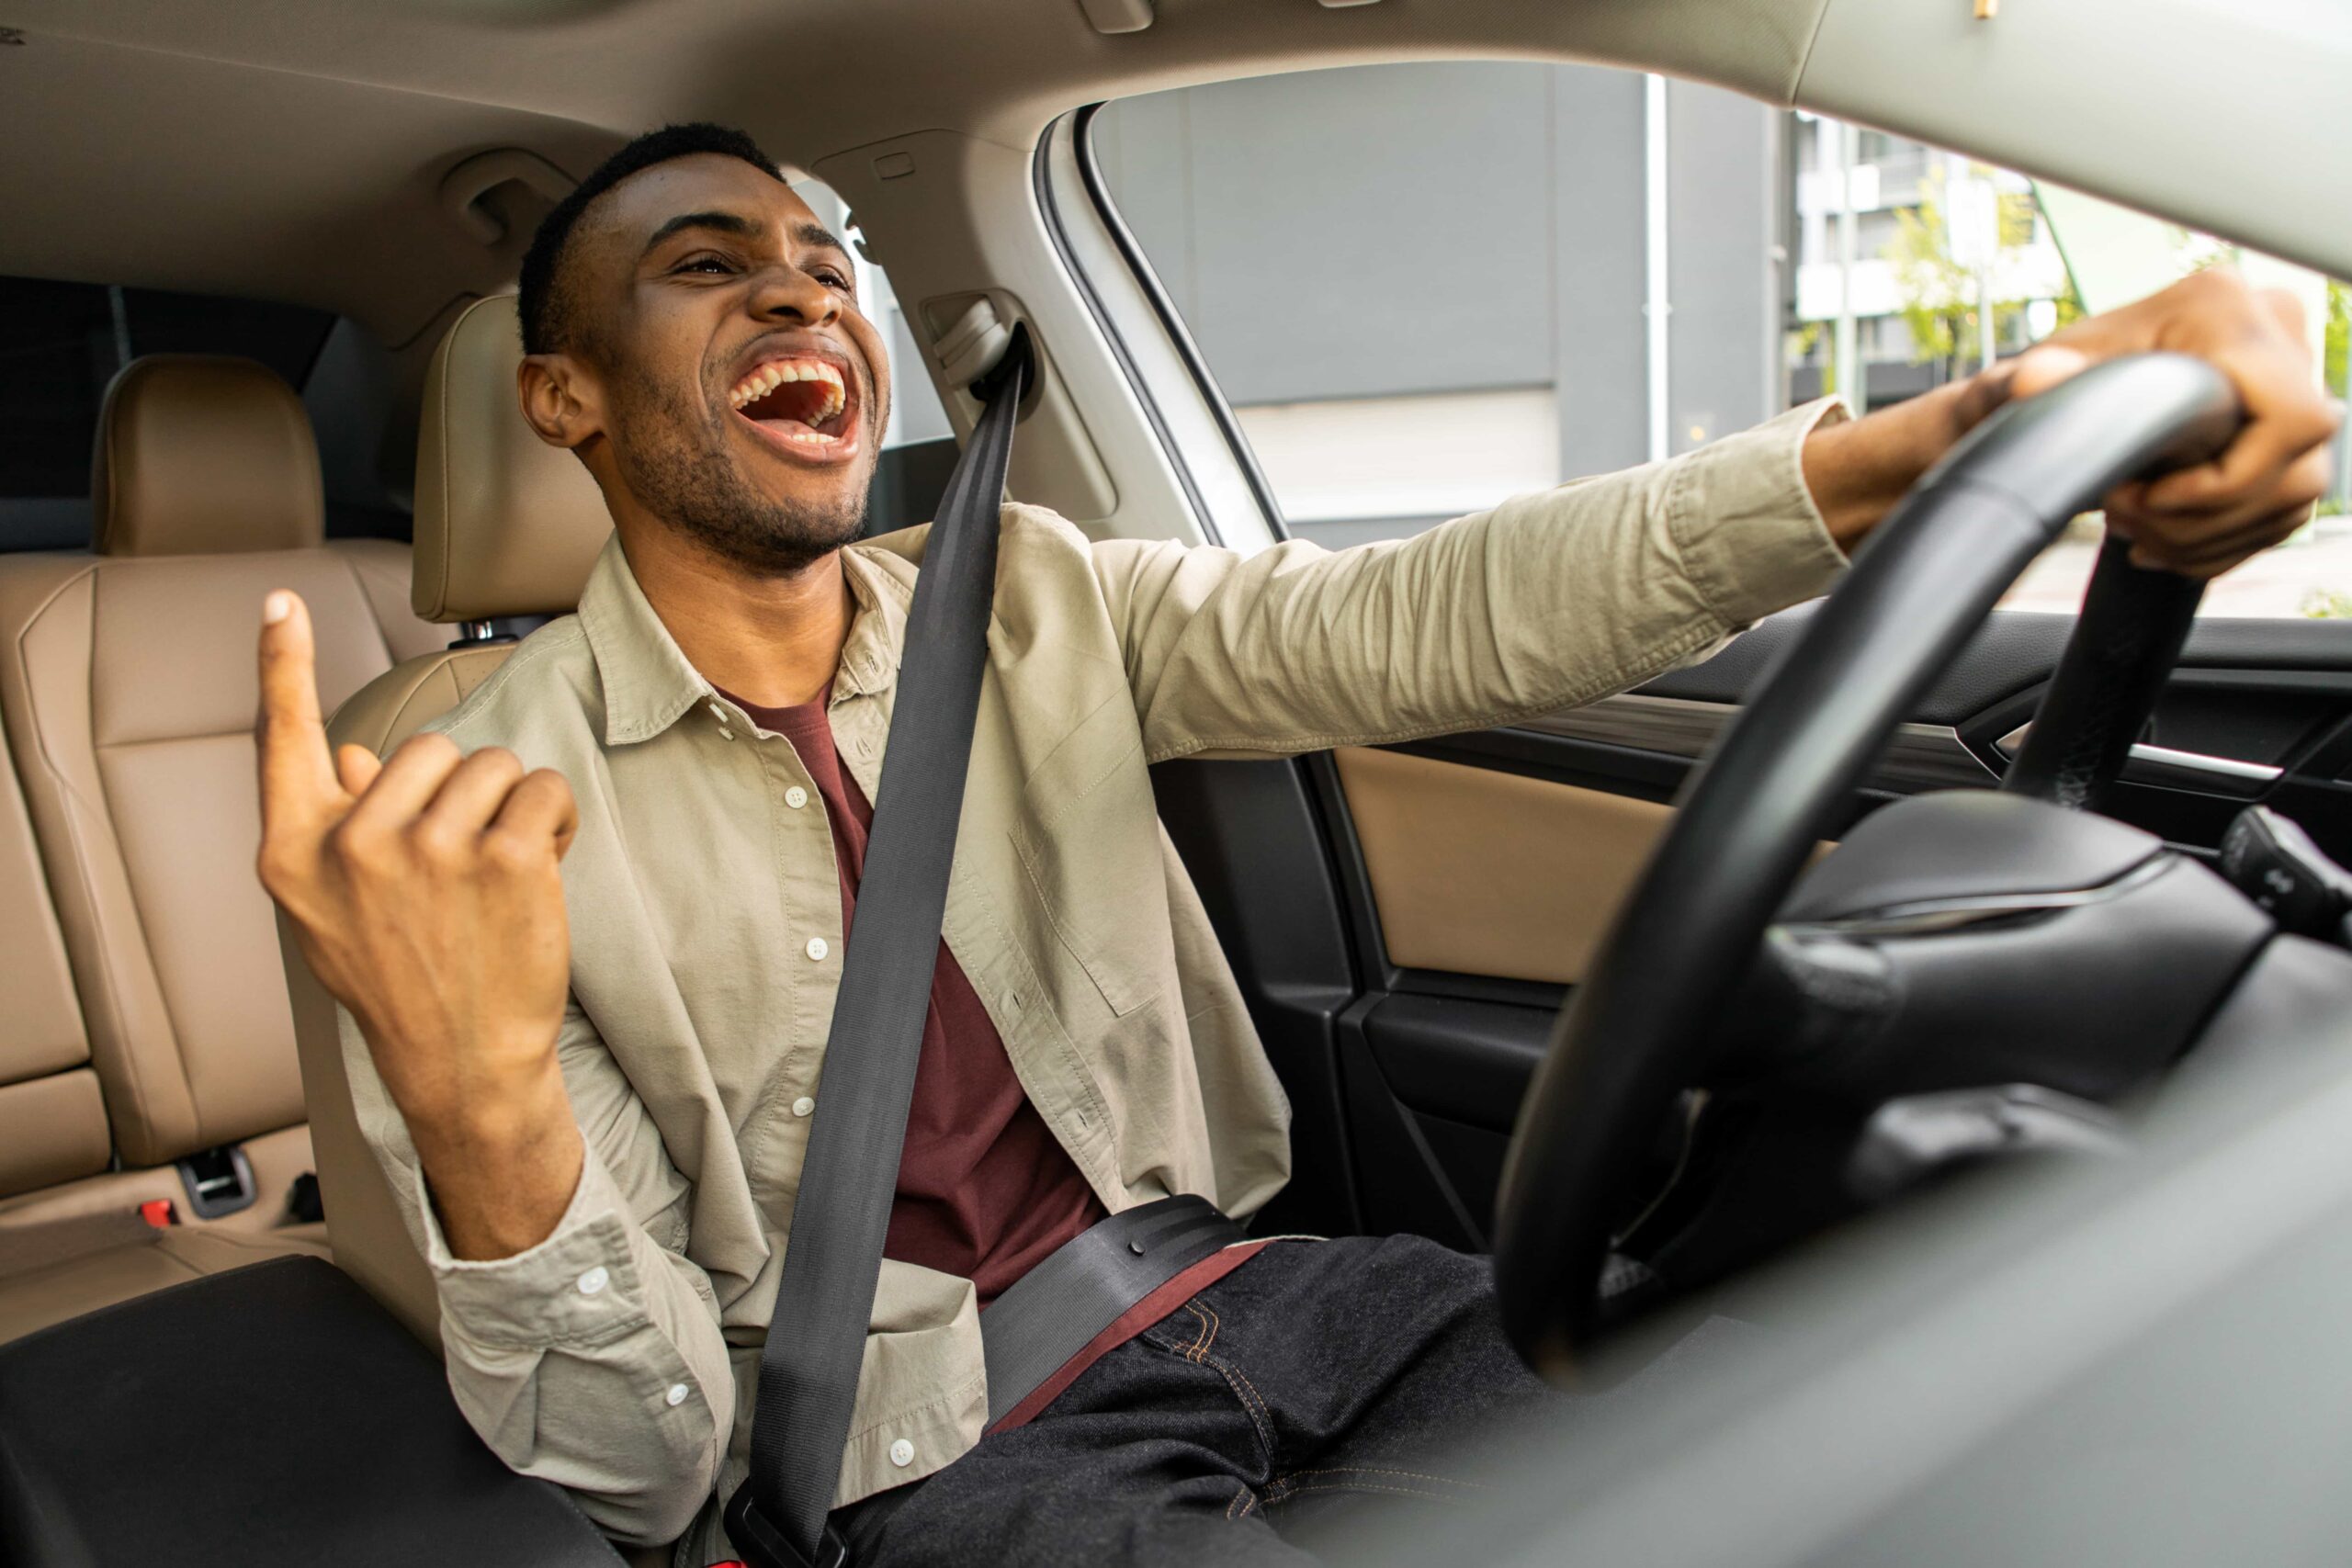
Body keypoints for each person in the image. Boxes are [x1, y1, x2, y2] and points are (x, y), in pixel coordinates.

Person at [254, 123, 2336, 1567]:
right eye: (705, 268)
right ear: (562, 396)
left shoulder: (1033, 592)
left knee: (1795, 1468)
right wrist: (478, 1093)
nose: (799, 293)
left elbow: (1424, 611)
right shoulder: (445, 808)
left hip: (1272, 1286)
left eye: (822, 263)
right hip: (924, 1451)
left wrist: (1935, 443)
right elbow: (639, 1473)